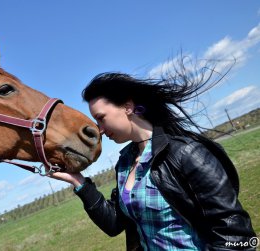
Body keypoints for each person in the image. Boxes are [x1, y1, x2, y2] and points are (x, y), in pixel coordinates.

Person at [49, 67, 257, 250]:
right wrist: (78, 181)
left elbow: (238, 238)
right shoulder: (125, 164)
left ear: (128, 107)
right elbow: (114, 224)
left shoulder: (186, 154)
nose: (100, 130)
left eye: (101, 118)